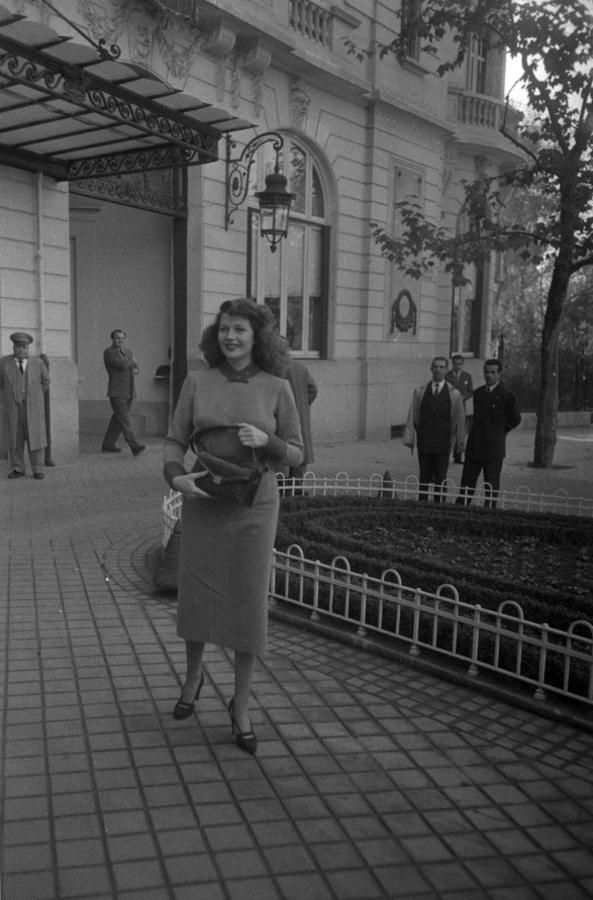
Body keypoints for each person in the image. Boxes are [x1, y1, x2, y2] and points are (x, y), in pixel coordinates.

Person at [163, 299, 304, 755]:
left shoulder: (278, 387)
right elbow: (173, 440)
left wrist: (270, 441)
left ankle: (240, 704)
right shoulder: (197, 381)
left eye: (240, 330)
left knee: (246, 605)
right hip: (204, 501)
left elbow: (299, 455)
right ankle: (192, 679)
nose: (230, 337)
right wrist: (175, 477)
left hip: (254, 509)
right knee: (198, 597)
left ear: (257, 336)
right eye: (224, 329)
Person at [456, 358, 521, 508]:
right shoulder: (478, 393)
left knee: (490, 487)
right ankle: (459, 512)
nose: (489, 375)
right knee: (466, 484)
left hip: (494, 449)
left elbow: (516, 418)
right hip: (475, 446)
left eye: (492, 372)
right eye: (486, 372)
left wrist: (500, 432)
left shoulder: (507, 395)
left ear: (499, 374)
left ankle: (489, 515)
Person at [402, 356, 465, 502]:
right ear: (431, 369)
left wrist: (459, 443)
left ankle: (439, 506)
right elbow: (413, 416)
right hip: (425, 443)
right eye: (435, 366)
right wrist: (410, 437)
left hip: (443, 444)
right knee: (424, 478)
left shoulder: (454, 394)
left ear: (446, 370)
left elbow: (459, 420)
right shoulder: (420, 392)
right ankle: (422, 506)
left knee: (440, 479)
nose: (438, 369)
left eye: (441, 367)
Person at [0, 332, 50, 480]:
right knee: (15, 438)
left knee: (36, 437)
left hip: (33, 407)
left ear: (28, 348)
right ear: (13, 347)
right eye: (17, 347)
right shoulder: (4, 362)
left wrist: (35, 396)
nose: (20, 350)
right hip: (13, 408)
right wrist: (7, 399)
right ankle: (18, 468)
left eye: (23, 347)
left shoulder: (38, 363)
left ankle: (38, 469)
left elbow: (46, 382)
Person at [102, 329, 146, 456]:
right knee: (124, 420)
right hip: (117, 392)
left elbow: (136, 369)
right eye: (117, 338)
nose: (120, 340)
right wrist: (132, 362)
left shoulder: (128, 352)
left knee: (118, 419)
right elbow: (121, 365)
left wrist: (132, 364)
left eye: (122, 338)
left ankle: (108, 444)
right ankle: (134, 446)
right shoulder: (109, 352)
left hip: (129, 391)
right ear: (112, 339)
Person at [280, 338, 318, 484]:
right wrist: (302, 403)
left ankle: (284, 495)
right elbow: (313, 389)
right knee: (300, 458)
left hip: (282, 420)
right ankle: (298, 494)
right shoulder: (300, 367)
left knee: (283, 459)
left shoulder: (274, 368)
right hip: (300, 417)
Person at [445, 353, 474, 463]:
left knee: (460, 431)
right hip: (449, 406)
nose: (457, 366)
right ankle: (446, 454)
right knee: (449, 431)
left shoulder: (467, 376)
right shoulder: (447, 376)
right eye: (455, 364)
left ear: (462, 364)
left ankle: (458, 456)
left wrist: (464, 397)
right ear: (452, 364)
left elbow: (471, 391)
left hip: (461, 406)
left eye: (460, 364)